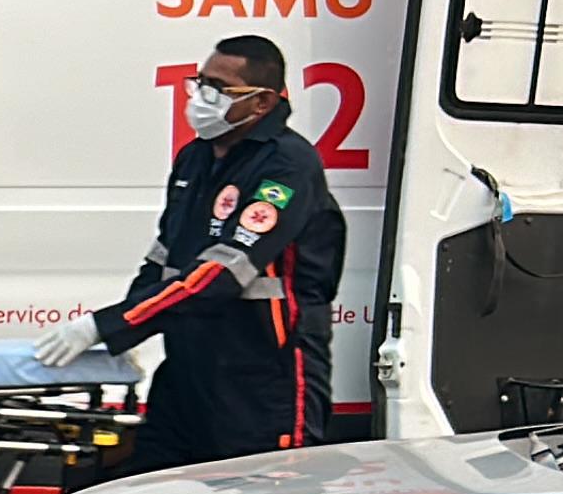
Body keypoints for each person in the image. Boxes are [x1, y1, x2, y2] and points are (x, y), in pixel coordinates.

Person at [33, 34, 341, 471]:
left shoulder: (286, 167)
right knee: (152, 488)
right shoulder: (195, 158)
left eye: (219, 89)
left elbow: (220, 275)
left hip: (259, 379)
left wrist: (107, 325)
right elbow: (163, 257)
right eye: (200, 83)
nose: (202, 98)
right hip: (188, 371)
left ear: (262, 103)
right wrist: (129, 331)